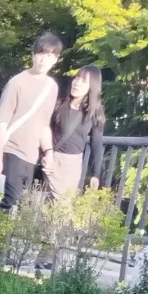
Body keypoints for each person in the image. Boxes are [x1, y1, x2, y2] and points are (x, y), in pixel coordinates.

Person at [0, 32, 63, 212]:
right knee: (8, 203)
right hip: (10, 151)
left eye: (50, 56)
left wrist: (49, 153)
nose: (44, 60)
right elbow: (2, 122)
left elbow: (44, 125)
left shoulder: (51, 87)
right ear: (33, 55)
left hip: (31, 156)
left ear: (56, 59)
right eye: (41, 54)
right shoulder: (17, 83)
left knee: (20, 207)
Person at [48, 65, 106, 199]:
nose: (77, 83)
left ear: (92, 87)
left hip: (72, 166)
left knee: (63, 209)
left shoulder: (94, 113)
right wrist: (46, 154)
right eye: (77, 78)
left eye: (84, 81)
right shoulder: (58, 105)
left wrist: (96, 174)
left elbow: (96, 144)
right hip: (52, 160)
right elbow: (45, 130)